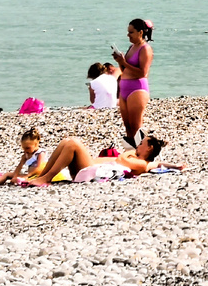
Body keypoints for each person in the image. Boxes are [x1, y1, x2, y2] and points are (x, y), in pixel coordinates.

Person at [26, 135, 177, 186]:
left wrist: (130, 152)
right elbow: (159, 164)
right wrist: (176, 166)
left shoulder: (141, 163)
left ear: (149, 148)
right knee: (67, 142)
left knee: (73, 144)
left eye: (142, 143)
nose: (138, 145)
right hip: (87, 168)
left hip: (90, 171)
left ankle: (46, 178)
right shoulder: (141, 160)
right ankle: (42, 176)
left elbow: (122, 160)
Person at [112, 18, 154, 147]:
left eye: (131, 32)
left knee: (136, 126)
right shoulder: (132, 47)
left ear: (140, 32)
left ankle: (144, 153)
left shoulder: (145, 49)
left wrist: (124, 63)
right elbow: (125, 70)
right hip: (124, 89)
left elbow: (142, 72)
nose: (128, 35)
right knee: (128, 126)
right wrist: (120, 61)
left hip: (137, 89)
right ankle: (131, 153)